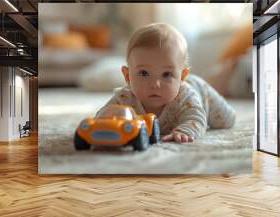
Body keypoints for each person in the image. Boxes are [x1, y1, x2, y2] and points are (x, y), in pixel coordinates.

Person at [96, 23, 236, 143]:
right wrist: (111, 117)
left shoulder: (185, 97)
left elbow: (196, 119)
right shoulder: (125, 98)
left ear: (182, 77)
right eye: (144, 73)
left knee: (226, 121)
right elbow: (101, 116)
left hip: (202, 92)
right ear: (127, 76)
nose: (155, 84)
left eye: (166, 74)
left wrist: (185, 131)